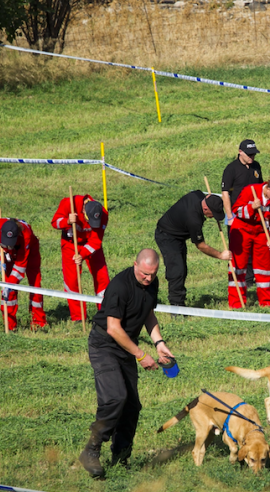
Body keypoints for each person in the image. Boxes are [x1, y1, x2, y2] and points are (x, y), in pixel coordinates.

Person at [79, 249, 174, 478]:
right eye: (144, 274)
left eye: (152, 274)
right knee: (115, 398)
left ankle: (121, 457)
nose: (148, 279)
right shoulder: (120, 286)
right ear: (135, 265)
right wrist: (141, 355)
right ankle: (91, 451)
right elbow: (113, 328)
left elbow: (148, 313)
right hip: (105, 344)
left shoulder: (152, 282)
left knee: (131, 406)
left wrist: (158, 342)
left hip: (125, 346)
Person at [155, 191, 231, 308]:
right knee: (177, 270)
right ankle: (177, 307)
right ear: (205, 208)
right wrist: (221, 255)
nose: (213, 217)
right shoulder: (193, 219)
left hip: (177, 234)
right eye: (213, 214)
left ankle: (179, 301)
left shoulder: (198, 195)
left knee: (182, 269)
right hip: (167, 236)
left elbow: (207, 197)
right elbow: (201, 246)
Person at [228, 178, 270, 308]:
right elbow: (236, 210)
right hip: (242, 230)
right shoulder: (251, 190)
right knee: (238, 266)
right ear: (268, 189)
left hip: (262, 232)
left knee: (264, 268)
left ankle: (266, 302)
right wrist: (251, 207)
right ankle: (236, 303)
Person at [51, 194, 110, 323]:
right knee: (72, 280)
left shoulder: (103, 214)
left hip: (92, 245)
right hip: (71, 244)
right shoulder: (68, 203)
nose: (91, 224)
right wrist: (66, 221)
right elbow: (54, 222)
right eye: (89, 221)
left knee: (102, 277)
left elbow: (96, 241)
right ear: (83, 210)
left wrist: (82, 255)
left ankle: (104, 314)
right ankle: (78, 317)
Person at [0, 217, 47, 331]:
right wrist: (0, 260)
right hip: (7, 254)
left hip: (29, 251)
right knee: (8, 289)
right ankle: (10, 325)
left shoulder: (26, 235)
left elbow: (20, 267)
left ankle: (38, 322)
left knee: (35, 284)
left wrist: (10, 285)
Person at [222, 139, 264, 287]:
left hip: (253, 215)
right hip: (237, 216)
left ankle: (250, 279)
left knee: (253, 246)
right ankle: (237, 278)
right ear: (240, 152)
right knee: (239, 249)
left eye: (254, 154)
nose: (252, 157)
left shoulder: (256, 166)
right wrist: (229, 217)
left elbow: (261, 189)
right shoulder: (231, 169)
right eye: (249, 154)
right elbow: (225, 193)